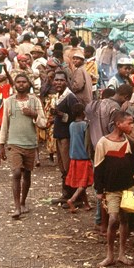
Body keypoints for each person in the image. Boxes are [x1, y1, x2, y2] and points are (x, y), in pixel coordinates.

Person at [0, 74, 46, 219]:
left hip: (30, 143)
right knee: (16, 172)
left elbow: (43, 123)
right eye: (18, 82)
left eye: (24, 82)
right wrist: (1, 143)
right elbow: (4, 123)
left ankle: (23, 202)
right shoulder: (8, 101)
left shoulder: (35, 101)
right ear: (15, 85)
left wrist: (33, 114)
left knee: (27, 174)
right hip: (14, 143)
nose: (21, 84)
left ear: (28, 84)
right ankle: (17, 206)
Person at [95, 111, 134, 267]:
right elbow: (98, 167)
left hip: (127, 187)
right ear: (118, 124)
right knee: (113, 219)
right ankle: (109, 254)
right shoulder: (103, 143)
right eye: (129, 123)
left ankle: (122, 253)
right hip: (111, 189)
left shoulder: (130, 143)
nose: (132, 126)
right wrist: (99, 190)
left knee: (125, 219)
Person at [50, 71, 80, 204]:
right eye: (56, 80)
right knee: (62, 166)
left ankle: (74, 196)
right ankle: (66, 194)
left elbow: (77, 117)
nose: (58, 83)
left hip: (67, 136)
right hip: (60, 135)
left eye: (61, 80)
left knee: (68, 167)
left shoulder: (70, 97)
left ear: (66, 82)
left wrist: (60, 114)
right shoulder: (60, 96)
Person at [64, 103, 93, 213]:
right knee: (83, 183)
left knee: (81, 181)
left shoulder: (71, 125)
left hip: (73, 156)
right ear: (83, 113)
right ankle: (72, 199)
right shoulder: (85, 125)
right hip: (83, 157)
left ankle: (86, 204)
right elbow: (87, 142)